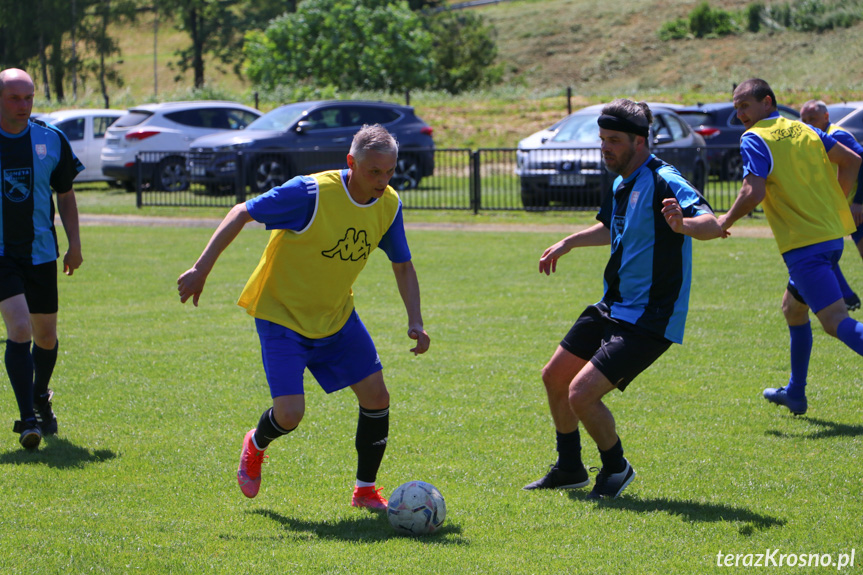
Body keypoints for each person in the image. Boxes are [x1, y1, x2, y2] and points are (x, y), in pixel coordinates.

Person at [177, 124, 430, 509]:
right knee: (290, 414)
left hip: (336, 315)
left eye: (389, 171)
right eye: (373, 172)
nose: (382, 180)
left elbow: (403, 265)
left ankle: (365, 491)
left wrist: (415, 319)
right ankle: (256, 443)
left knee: (377, 397)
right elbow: (241, 212)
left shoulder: (389, 204)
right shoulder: (310, 193)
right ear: (351, 162)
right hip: (282, 315)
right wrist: (201, 269)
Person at [524, 99, 723, 499]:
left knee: (581, 394)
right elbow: (611, 228)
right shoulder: (621, 181)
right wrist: (568, 242)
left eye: (614, 140)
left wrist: (683, 224)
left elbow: (712, 224)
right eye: (602, 139)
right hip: (612, 305)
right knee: (554, 377)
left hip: (649, 317)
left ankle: (615, 469)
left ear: (639, 140)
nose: (605, 147)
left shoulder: (664, 178)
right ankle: (569, 467)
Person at [719, 79, 863, 416]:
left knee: (834, 321)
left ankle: (796, 392)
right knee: (793, 310)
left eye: (745, 106)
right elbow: (853, 161)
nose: (740, 114)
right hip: (829, 238)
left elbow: (751, 192)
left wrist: (723, 221)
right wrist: (836, 202)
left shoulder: (754, 137)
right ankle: (795, 393)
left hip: (805, 245)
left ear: (767, 102)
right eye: (736, 107)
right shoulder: (804, 130)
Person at [0, 68, 83, 449]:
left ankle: (40, 395)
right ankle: (28, 419)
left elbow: (64, 194)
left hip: (41, 253)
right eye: (14, 98)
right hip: (2, 255)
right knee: (19, 329)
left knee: (46, 337)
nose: (23, 105)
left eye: (28, 97)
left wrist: (74, 243)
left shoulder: (51, 139)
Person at [800, 99, 863, 311]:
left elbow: (861, 162)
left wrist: (859, 202)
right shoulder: (818, 139)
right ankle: (847, 296)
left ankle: (846, 296)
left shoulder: (837, 135)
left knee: (820, 248)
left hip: (855, 207)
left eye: (813, 119)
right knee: (822, 249)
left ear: (826, 117)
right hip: (842, 208)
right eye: (804, 120)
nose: (808, 123)